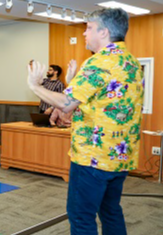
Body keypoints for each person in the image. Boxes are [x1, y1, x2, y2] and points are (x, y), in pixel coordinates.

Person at [27, 8, 143, 235]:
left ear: (104, 32)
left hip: (93, 158)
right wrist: (72, 82)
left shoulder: (98, 62)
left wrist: (35, 86)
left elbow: (67, 104)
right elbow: (103, 102)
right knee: (110, 211)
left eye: (88, 28)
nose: (84, 33)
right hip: (119, 156)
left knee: (81, 217)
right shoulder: (130, 62)